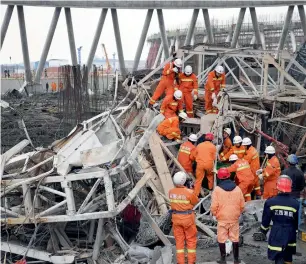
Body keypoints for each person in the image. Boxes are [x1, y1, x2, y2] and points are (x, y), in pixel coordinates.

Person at [260, 175, 299, 264]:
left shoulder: (271, 202)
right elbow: (296, 221)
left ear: (278, 187)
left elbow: (266, 220)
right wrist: (295, 231)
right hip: (290, 232)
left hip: (277, 231)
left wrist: (263, 231)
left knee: (278, 255)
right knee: (288, 256)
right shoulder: (295, 203)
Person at [211, 168, 245, 264]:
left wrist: (214, 214)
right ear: (229, 176)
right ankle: (236, 259)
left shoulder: (217, 190)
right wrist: (238, 213)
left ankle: (223, 259)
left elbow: (214, 205)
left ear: (219, 177)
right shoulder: (237, 189)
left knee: (221, 238)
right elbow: (242, 205)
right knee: (235, 238)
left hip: (222, 218)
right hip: (234, 217)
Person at [169, 171, 199, 264]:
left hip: (176, 219)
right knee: (190, 240)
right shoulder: (189, 192)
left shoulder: (171, 192)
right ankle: (191, 261)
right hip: (187, 219)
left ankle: (181, 262)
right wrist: (192, 189)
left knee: (179, 241)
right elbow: (195, 201)